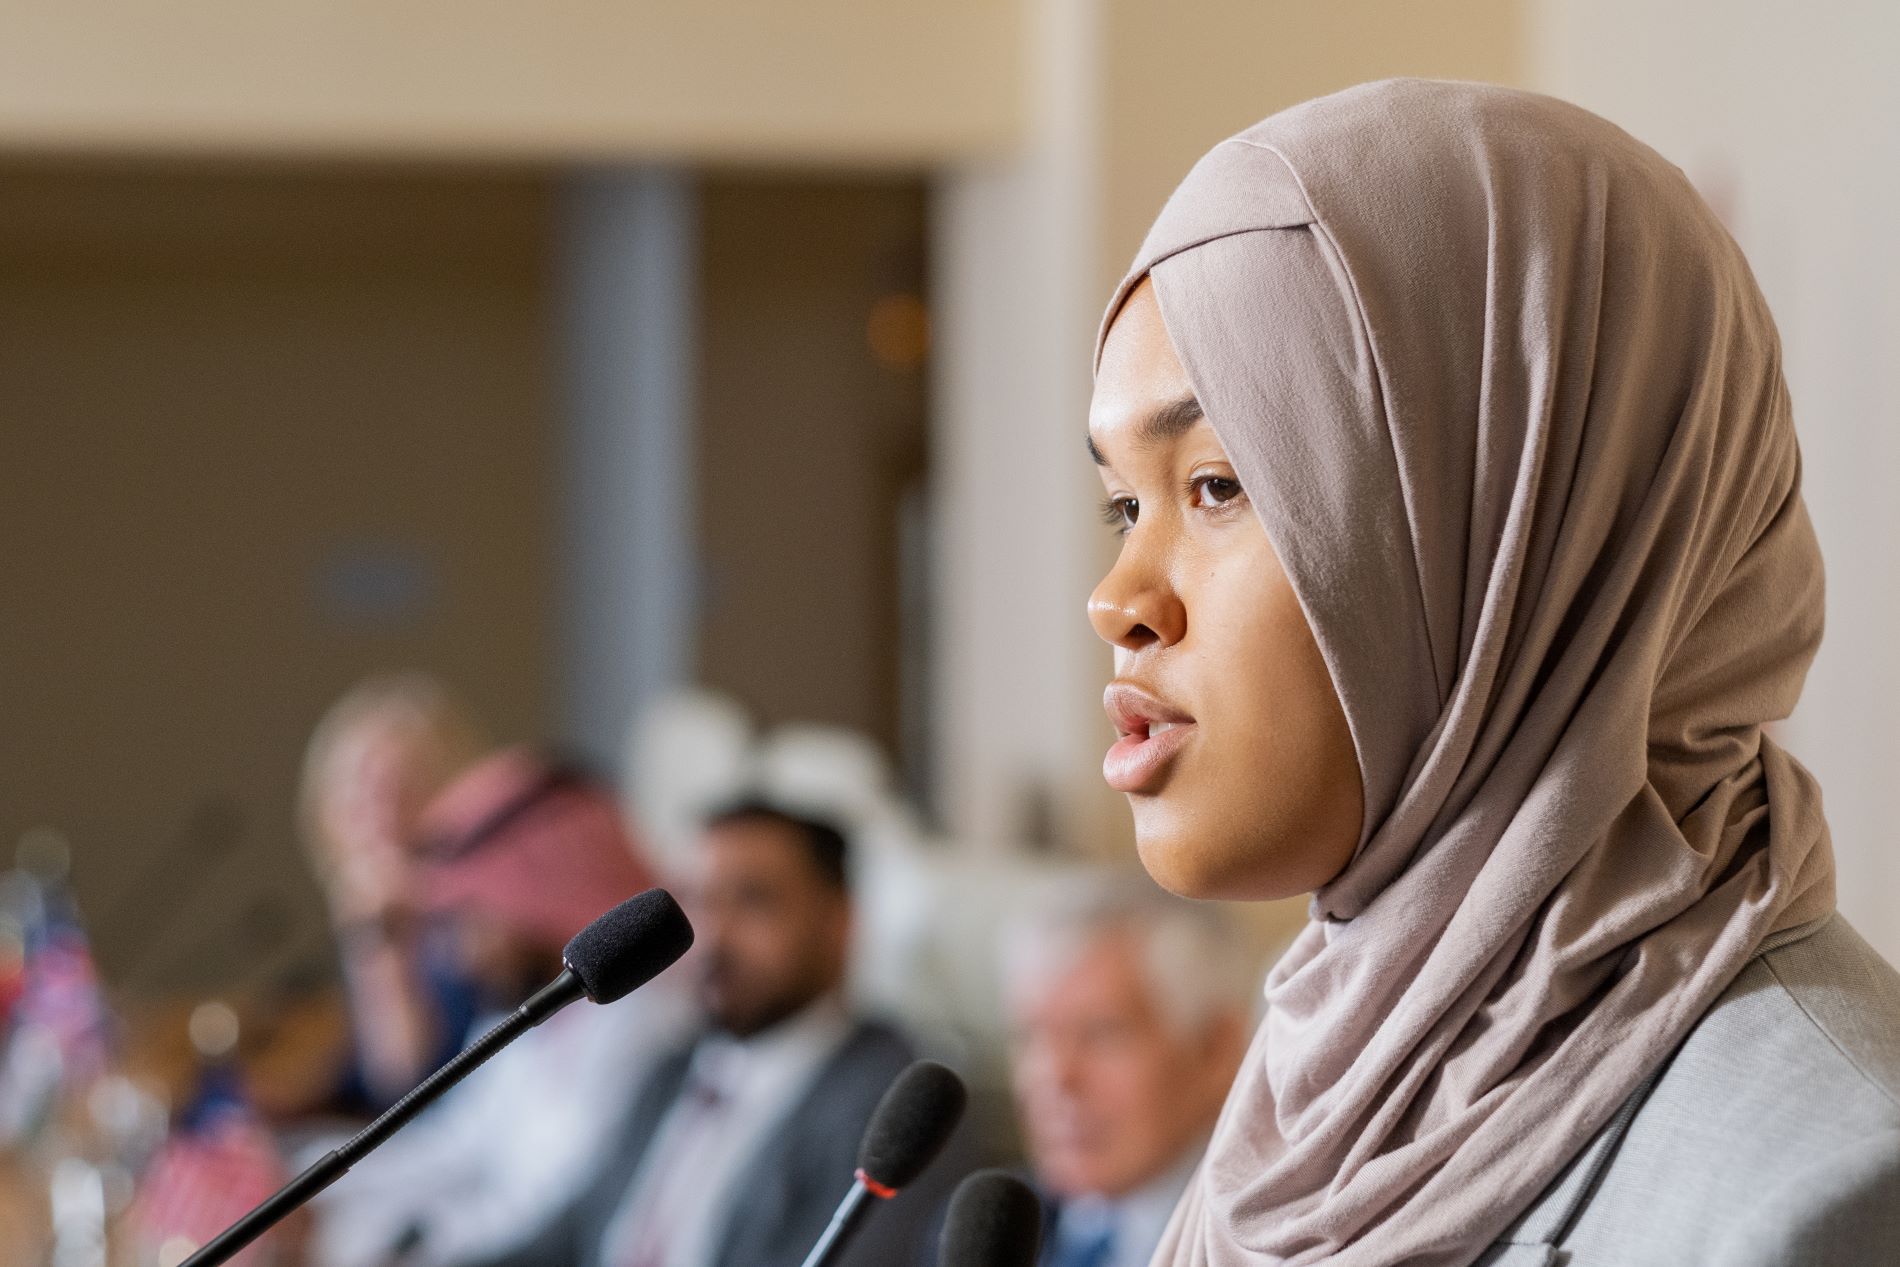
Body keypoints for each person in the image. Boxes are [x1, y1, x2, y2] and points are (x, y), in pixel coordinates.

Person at [1085, 79, 1900, 1265]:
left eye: (1218, 484)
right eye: (1120, 502)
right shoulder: (1325, 1085)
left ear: (1531, 523)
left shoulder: (1817, 1194)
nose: (1118, 601)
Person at [481, 799, 958, 1267]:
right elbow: (572, 1232)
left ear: (840, 922)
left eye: (753, 899)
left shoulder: (897, 1107)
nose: (713, 934)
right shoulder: (675, 1065)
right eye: (698, 899)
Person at [309, 747, 682, 1267]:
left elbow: (547, 1221)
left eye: (474, 918)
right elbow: (454, 1147)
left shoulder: (647, 1024)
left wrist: (365, 1248)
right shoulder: (533, 1007)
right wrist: (301, 1190)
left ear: (540, 892)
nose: (463, 954)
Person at [1002, 878, 1251, 1267]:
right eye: (1034, 1036)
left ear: (1216, 1049)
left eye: (1101, 1034)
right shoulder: (992, 1229)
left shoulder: (1281, 1241)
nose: (1056, 1077)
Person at [298, 672, 489, 1109]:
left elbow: (402, 1080)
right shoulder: (363, 906)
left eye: (401, 791)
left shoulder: (474, 924)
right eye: (358, 793)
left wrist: (384, 942)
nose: (378, 818)